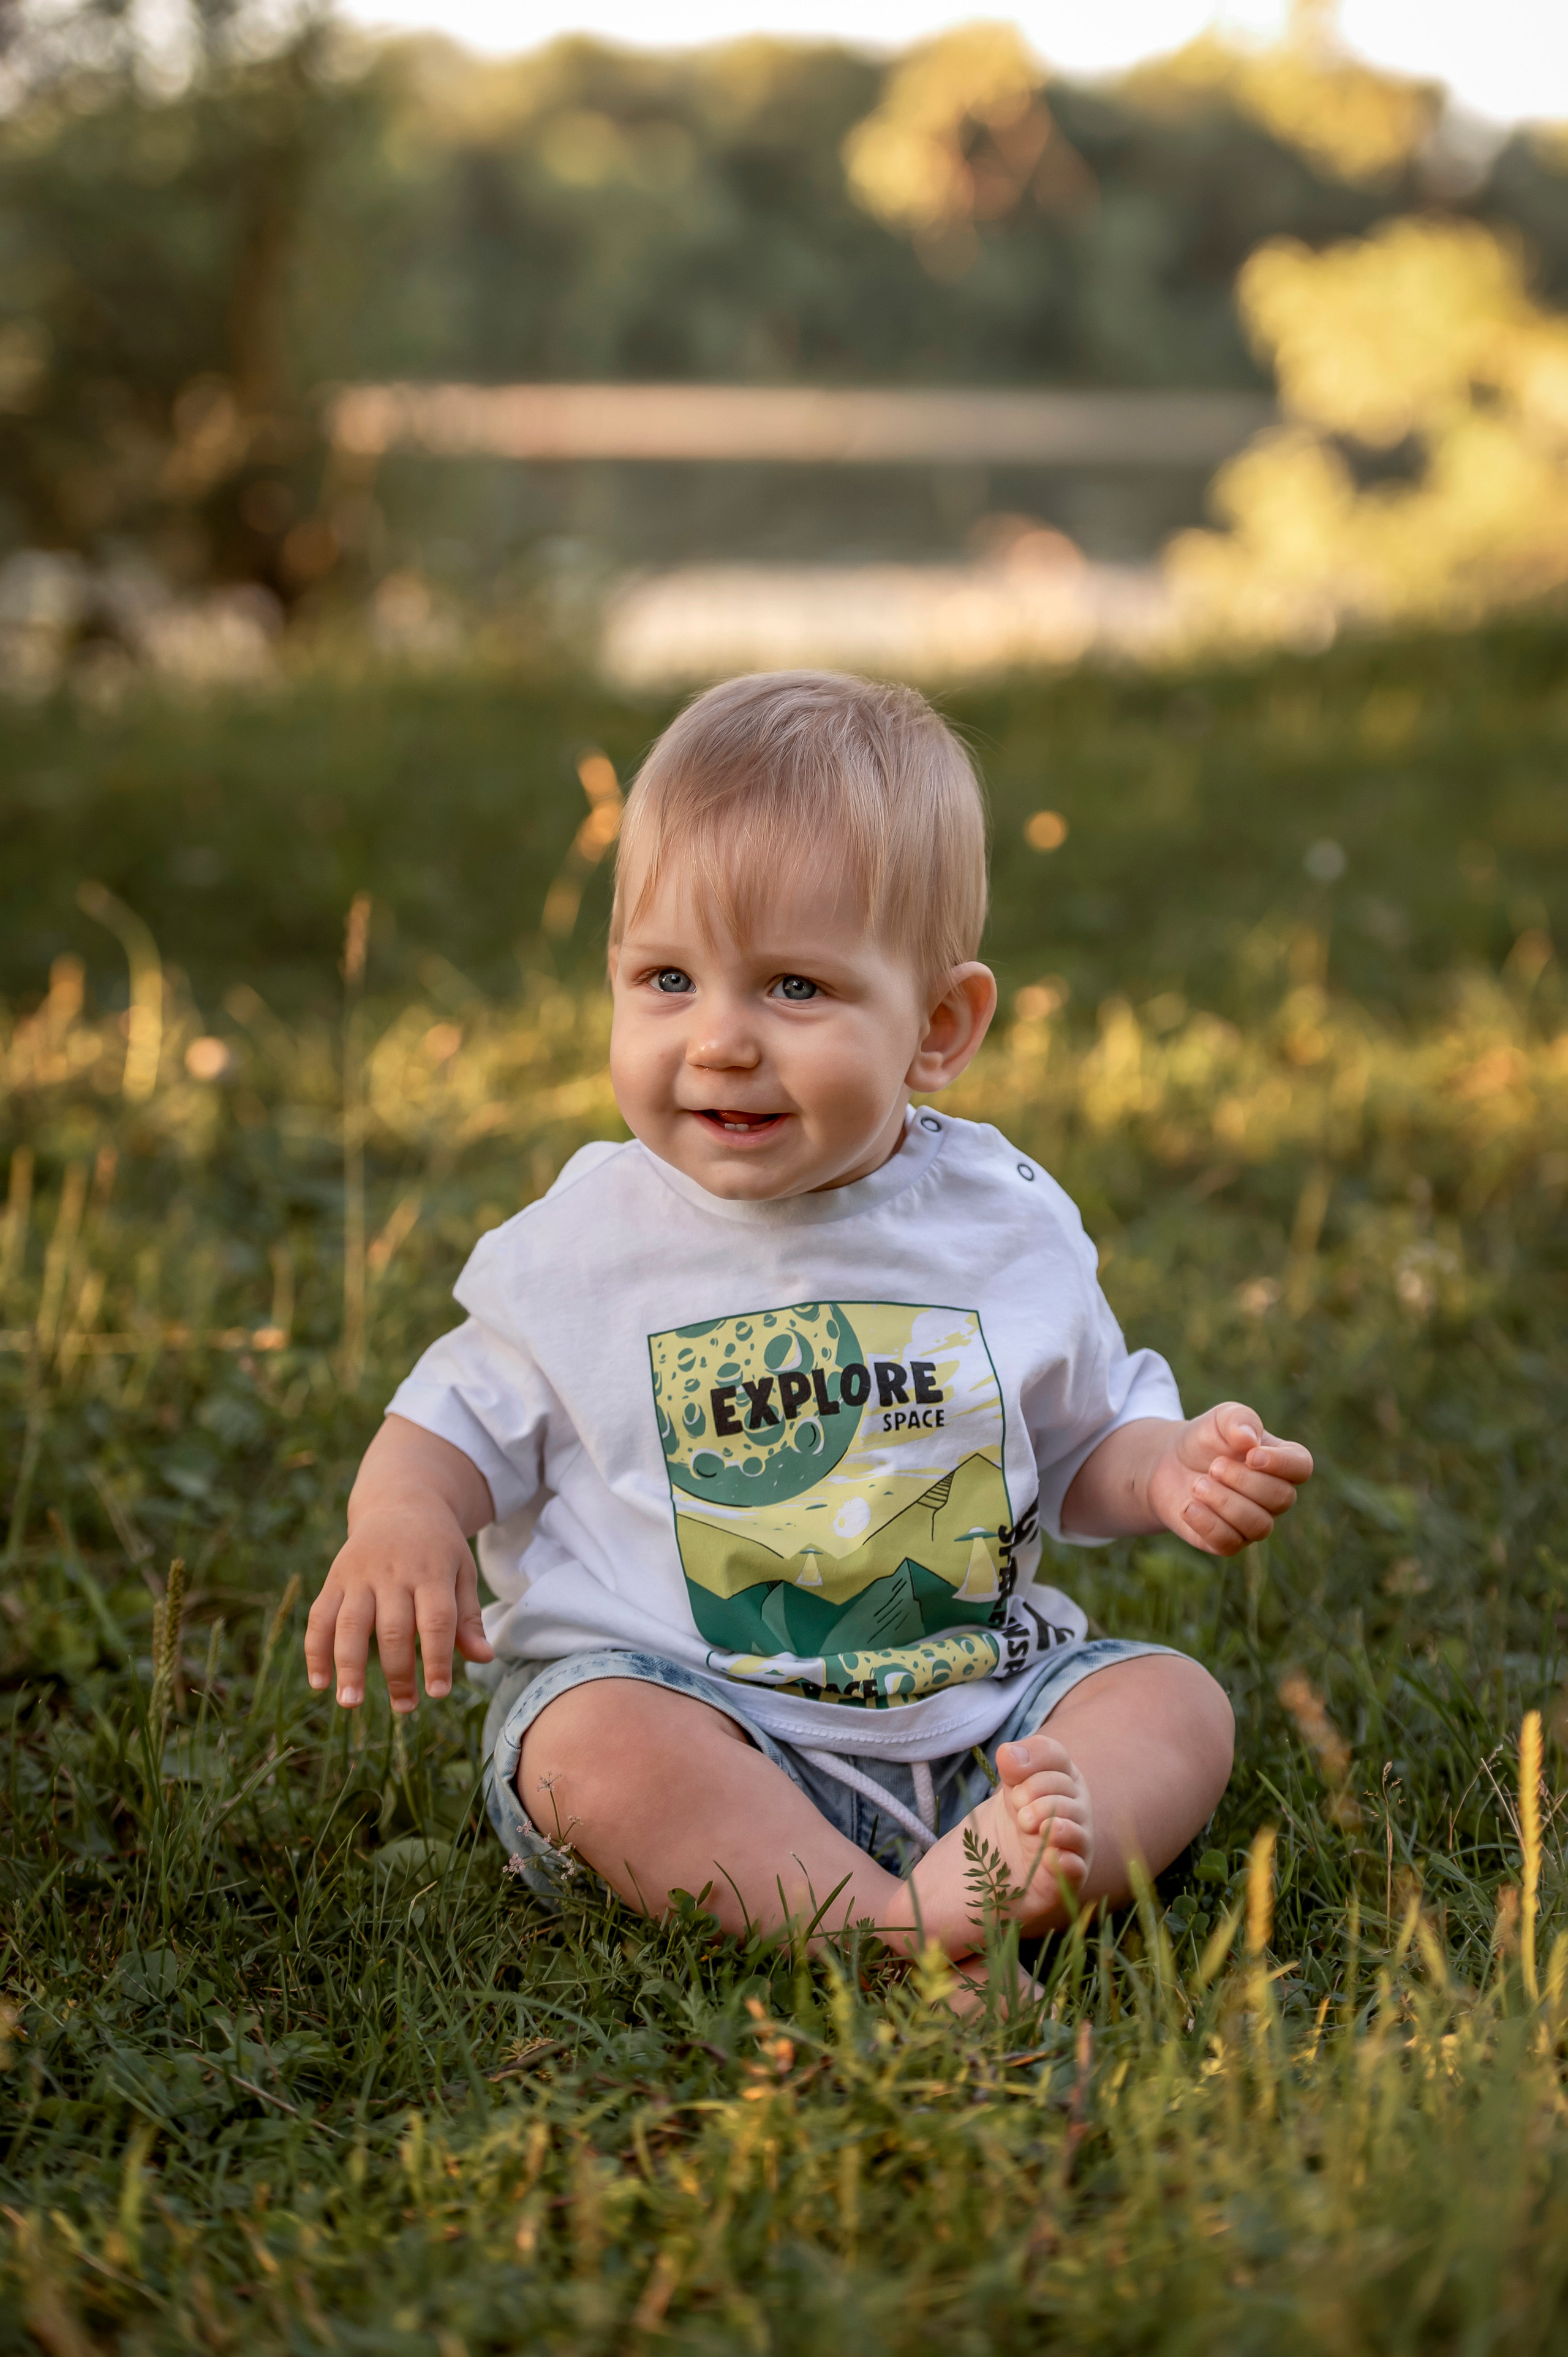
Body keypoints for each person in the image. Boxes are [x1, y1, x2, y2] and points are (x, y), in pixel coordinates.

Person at [306, 671, 1311, 1975]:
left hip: (977, 1721)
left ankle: (962, 1872)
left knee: (1171, 1704)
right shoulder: (588, 1245)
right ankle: (899, 1927)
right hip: (701, 1724)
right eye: (666, 978)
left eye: (790, 987)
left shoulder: (999, 1224)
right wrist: (400, 1521)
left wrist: (1168, 1467)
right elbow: (450, 1415)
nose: (718, 1041)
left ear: (937, 1026)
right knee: (587, 1744)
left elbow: (1078, 1444)